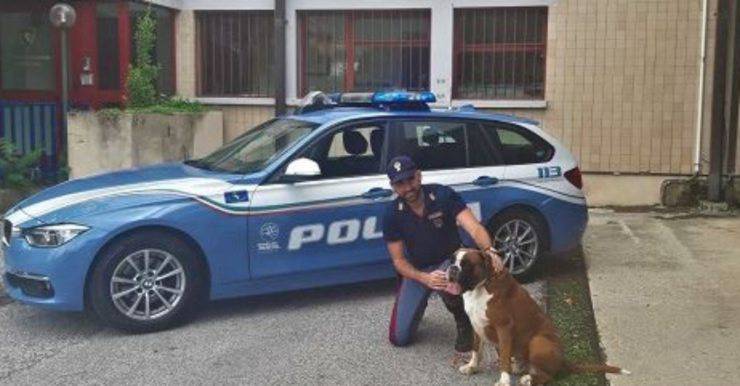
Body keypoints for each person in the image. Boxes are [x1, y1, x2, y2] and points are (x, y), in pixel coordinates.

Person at [382, 155, 504, 358]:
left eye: (410, 179)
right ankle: (417, 305)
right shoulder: (391, 213)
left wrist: (490, 250)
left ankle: (463, 322)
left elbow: (474, 228)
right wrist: (424, 278)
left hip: (450, 261)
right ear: (393, 186)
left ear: (419, 176)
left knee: (450, 279)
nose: (408, 187)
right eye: (400, 183)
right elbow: (399, 262)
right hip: (419, 270)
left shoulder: (442, 195)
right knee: (399, 338)